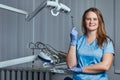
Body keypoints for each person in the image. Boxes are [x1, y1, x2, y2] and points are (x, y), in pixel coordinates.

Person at [66, 7, 114, 80]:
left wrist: (81, 69)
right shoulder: (78, 41)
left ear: (99, 21)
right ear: (84, 22)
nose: (91, 22)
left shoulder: (106, 42)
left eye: (95, 19)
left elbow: (105, 65)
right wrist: (73, 43)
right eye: (88, 19)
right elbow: (71, 65)